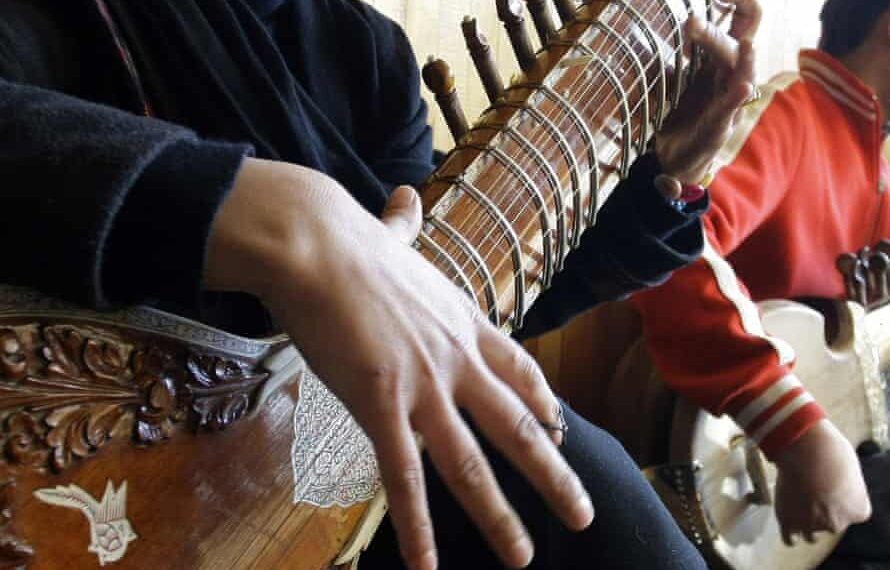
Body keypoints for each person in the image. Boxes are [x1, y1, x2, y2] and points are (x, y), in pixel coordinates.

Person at [0, 0, 758, 567]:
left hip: (343, 508)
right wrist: (280, 221)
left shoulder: (364, 52)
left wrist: (663, 180)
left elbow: (457, 315)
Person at [630, 0, 888, 548]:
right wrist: (792, 427)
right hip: (720, 463)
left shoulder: (881, 171)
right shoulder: (787, 112)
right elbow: (668, 250)